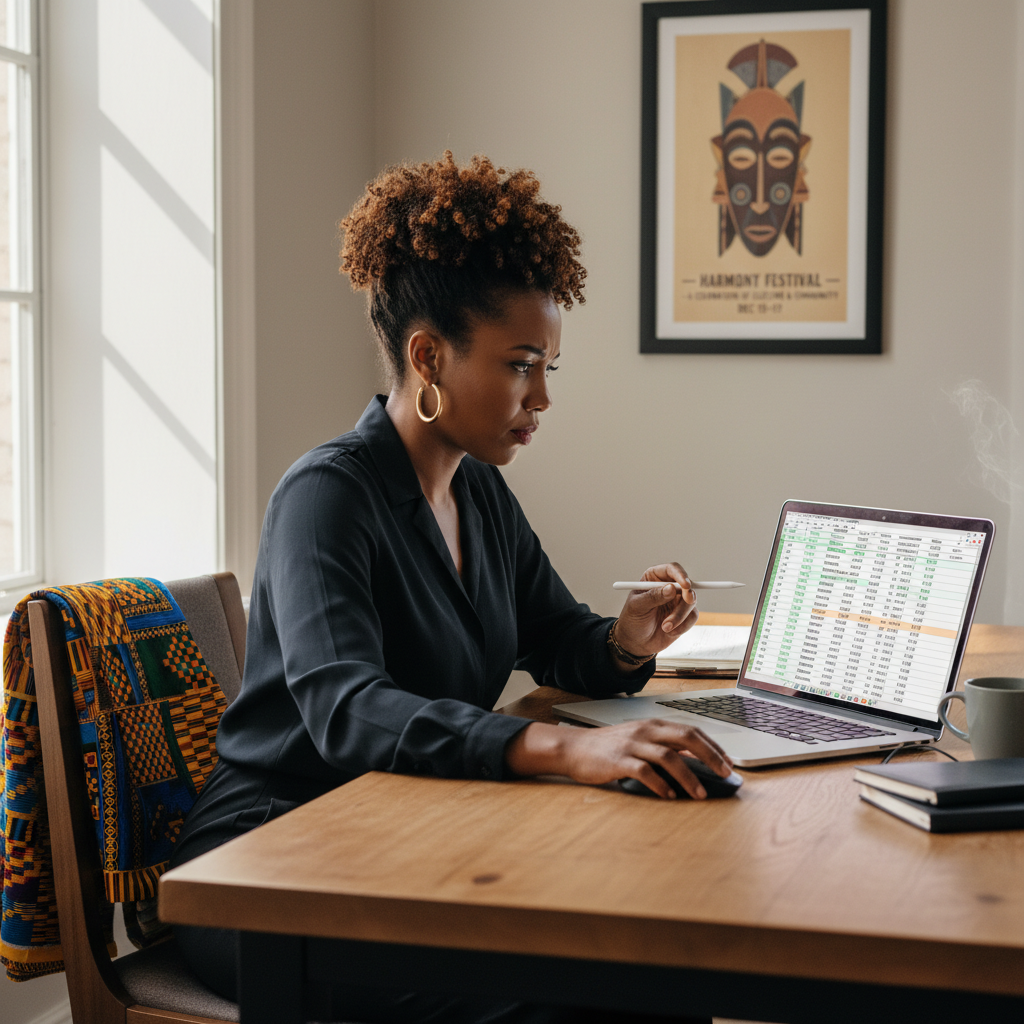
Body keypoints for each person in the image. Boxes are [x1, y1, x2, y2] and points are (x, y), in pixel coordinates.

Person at [171, 152, 732, 1023]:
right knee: (591, 988)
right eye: (520, 364)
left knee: (648, 960)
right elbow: (347, 708)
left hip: (411, 836)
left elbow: (554, 636)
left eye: (548, 368)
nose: (541, 396)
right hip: (272, 867)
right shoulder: (327, 496)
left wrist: (625, 640)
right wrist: (564, 751)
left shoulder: (477, 489)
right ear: (428, 356)